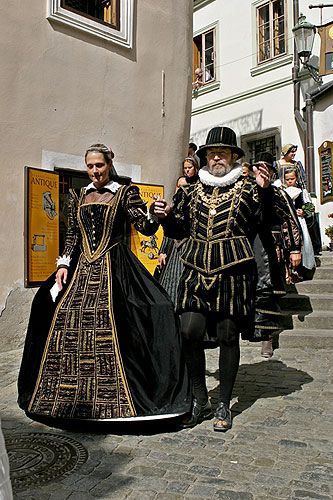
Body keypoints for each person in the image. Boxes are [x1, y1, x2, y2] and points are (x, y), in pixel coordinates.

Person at [18, 144, 191, 424]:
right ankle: (66, 397)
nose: (95, 171)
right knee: (57, 312)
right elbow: (73, 233)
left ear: (109, 164)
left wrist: (155, 215)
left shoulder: (124, 193)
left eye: (99, 165)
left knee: (139, 313)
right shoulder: (77, 196)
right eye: (90, 166)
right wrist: (63, 264)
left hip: (114, 264)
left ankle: (116, 398)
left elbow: (143, 228)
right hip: (81, 266)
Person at [151, 127, 292, 432]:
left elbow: (272, 218)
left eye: (223, 153)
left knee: (228, 336)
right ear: (204, 158)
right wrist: (164, 217)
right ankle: (200, 397)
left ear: (233, 157)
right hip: (195, 268)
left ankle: (223, 403)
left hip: (234, 271)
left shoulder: (248, 187)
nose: (217, 158)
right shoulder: (189, 191)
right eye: (212, 153)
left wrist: (266, 190)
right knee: (189, 332)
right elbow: (178, 230)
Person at [251, 152, 302, 358]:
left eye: (267, 169)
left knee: (267, 290)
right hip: (247, 246)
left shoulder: (279, 194)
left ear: (272, 173)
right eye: (258, 168)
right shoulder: (246, 192)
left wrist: (295, 249)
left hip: (271, 247)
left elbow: (290, 221)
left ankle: (267, 336)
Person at [156, 176, 188, 306]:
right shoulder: (173, 206)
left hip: (186, 250)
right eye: (178, 186)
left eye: (184, 186)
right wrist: (162, 251)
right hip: (171, 251)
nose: (180, 189)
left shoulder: (191, 206)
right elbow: (167, 232)